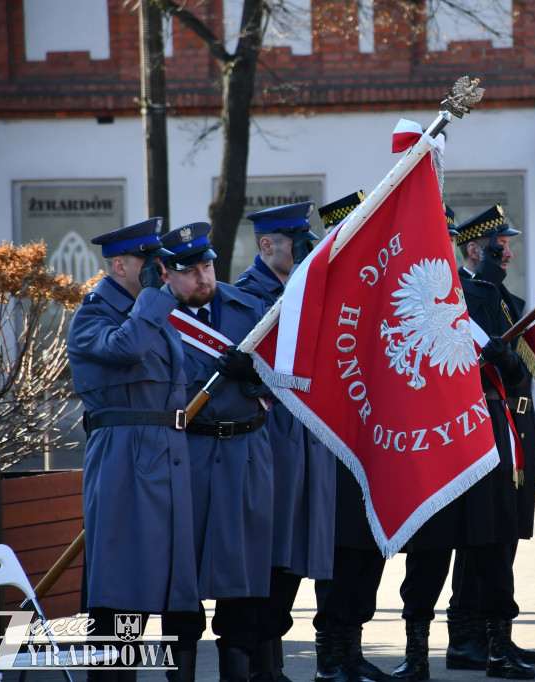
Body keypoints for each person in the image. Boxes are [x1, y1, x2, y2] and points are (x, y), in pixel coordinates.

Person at [67, 217, 200, 681]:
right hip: (125, 460)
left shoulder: (152, 311)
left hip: (167, 458)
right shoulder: (93, 315)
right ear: (119, 264)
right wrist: (153, 298)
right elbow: (124, 350)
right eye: (148, 262)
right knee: (122, 587)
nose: (157, 270)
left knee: (175, 589)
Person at [158, 221, 275, 682]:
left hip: (248, 450)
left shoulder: (252, 309)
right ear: (167, 274)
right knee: (180, 574)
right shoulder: (156, 317)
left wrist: (256, 374)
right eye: (190, 272)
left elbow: (292, 377)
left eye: (207, 266)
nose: (203, 278)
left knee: (244, 573)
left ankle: (238, 671)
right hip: (189, 453)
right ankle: (180, 670)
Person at [237, 201, 337, 682]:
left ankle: (272, 658)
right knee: (269, 552)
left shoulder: (308, 290)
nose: (302, 251)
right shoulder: (244, 297)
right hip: (271, 439)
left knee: (298, 551)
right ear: (267, 245)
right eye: (295, 243)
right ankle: (261, 663)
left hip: (308, 439)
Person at [450, 205, 535, 679]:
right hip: (484, 430)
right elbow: (479, 345)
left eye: (506, 244)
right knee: (484, 541)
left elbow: (521, 368)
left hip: (515, 429)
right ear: (475, 248)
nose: (508, 252)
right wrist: (484, 274)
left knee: (501, 540)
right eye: (500, 245)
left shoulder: (502, 295)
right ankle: (483, 641)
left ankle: (479, 637)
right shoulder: (465, 294)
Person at [306, 191, 393, 682]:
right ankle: (329, 658)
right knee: (340, 556)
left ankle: (352, 650)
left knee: (370, 554)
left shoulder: (376, 294)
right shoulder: (316, 290)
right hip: (336, 445)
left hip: (376, 443)